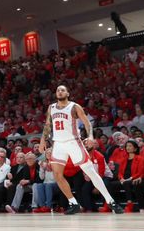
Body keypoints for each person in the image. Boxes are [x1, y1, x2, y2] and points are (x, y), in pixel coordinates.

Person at [40, 84, 124, 215]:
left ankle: (110, 201)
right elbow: (47, 125)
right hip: (58, 144)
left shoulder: (74, 106)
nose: (60, 92)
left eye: (62, 90)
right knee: (57, 175)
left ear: (67, 93)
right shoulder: (51, 108)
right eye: (58, 90)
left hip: (73, 142)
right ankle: (73, 203)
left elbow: (87, 122)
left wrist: (90, 136)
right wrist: (42, 141)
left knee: (90, 172)